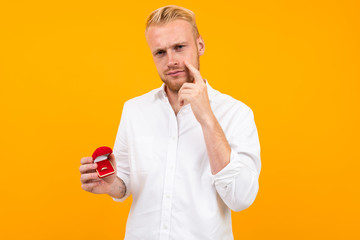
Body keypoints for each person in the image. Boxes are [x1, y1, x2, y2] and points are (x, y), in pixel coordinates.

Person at [79, 5, 261, 240]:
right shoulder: (134, 110)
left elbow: (241, 198)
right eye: (160, 52)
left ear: (200, 45)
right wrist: (112, 184)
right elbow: (125, 184)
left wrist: (206, 118)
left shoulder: (236, 113)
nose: (171, 60)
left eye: (179, 47)